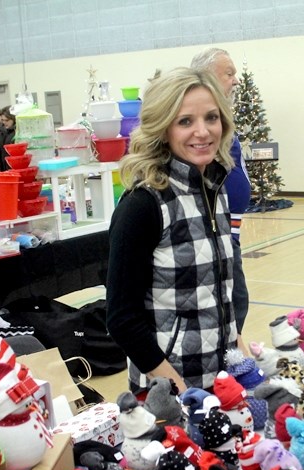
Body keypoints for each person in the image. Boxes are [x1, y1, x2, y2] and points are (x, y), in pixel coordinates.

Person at [106, 67, 237, 394]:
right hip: (170, 396)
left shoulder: (216, 190)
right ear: (163, 128)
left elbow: (218, 297)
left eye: (211, 117)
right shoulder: (143, 204)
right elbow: (122, 320)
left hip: (221, 387)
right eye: (185, 122)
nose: (203, 132)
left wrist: (240, 357)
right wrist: (180, 392)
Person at [191, 48, 252, 350]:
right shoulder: (198, 134)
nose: (236, 80)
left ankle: (230, 355)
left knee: (236, 300)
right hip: (216, 230)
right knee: (234, 299)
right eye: (229, 73)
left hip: (230, 230)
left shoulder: (221, 121)